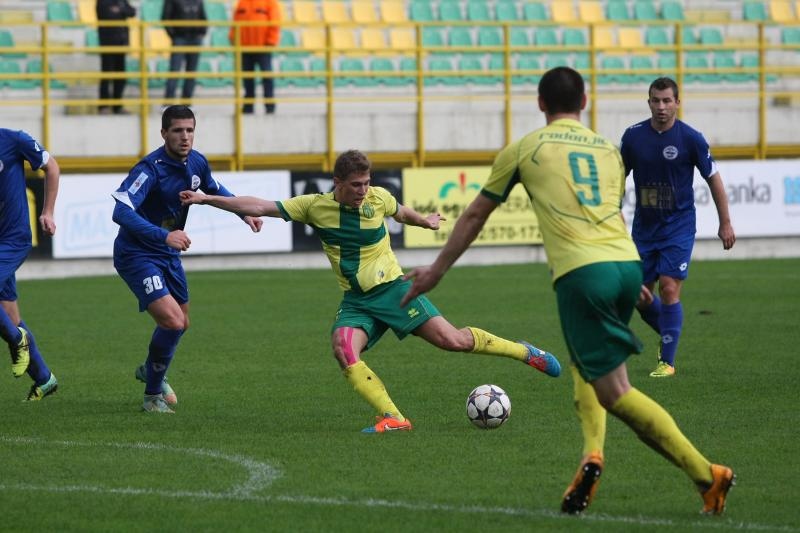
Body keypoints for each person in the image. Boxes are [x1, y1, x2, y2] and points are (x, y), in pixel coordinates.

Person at [400, 67, 735, 514]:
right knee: (600, 378)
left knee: (615, 393)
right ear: (585, 102)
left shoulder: (526, 148)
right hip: (624, 264)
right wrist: (629, 277)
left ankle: (616, 460)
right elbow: (613, 213)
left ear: (540, 103)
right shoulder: (606, 148)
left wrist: (437, 270)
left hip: (583, 273)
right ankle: (700, 476)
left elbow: (477, 214)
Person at [179, 149, 562, 433]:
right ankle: (394, 417)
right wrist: (208, 199)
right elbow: (259, 205)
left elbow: (401, 211)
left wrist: (425, 222)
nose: (364, 190)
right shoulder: (314, 206)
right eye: (356, 185)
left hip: (395, 290)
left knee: (454, 341)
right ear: (337, 183)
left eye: (366, 182)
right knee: (343, 348)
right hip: (357, 301)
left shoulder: (378, 198)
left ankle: (525, 352)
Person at [111, 105, 263, 413]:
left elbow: (214, 188)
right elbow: (121, 211)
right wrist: (163, 236)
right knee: (172, 321)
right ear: (164, 133)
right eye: (178, 130)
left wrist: (243, 212)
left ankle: (150, 369)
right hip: (137, 254)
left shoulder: (197, 162)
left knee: (182, 324)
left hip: (167, 254)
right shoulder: (149, 169)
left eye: (190, 130)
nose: (185, 137)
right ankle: (152, 397)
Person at [620, 77, 735, 378]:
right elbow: (617, 177)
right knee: (638, 295)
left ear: (677, 103)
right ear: (648, 102)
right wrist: (612, 210)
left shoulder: (691, 138)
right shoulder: (633, 137)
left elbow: (714, 178)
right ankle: (669, 332)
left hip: (678, 226)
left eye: (667, 101)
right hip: (644, 229)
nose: (661, 106)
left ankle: (667, 361)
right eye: (656, 100)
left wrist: (725, 222)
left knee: (669, 287)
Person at [0, 128, 60, 401]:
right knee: (9, 315)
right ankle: (44, 378)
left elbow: (52, 167)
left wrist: (48, 211)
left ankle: (18, 340)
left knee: (12, 328)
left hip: (13, 238)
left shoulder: (13, 140)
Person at [229, 0, 281, 114]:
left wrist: (271, 41)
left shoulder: (269, 2)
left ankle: (269, 106)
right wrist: (233, 38)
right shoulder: (242, 2)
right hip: (245, 48)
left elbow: (275, 23)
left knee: (267, 77)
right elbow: (235, 22)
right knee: (247, 78)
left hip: (263, 47)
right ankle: (248, 106)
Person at [162, 0, 207, 104]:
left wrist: (201, 33)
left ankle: (187, 102)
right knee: (175, 70)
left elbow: (203, 17)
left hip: (195, 38)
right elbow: (165, 18)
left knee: (191, 72)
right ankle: (168, 102)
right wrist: (174, 35)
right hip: (180, 37)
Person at [96, 0, 136, 115]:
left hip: (121, 43)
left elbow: (132, 12)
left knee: (121, 76)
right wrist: (122, 10)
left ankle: (117, 106)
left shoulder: (121, 1)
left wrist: (120, 10)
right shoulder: (102, 1)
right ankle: (103, 106)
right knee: (107, 75)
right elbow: (107, 15)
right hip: (108, 43)